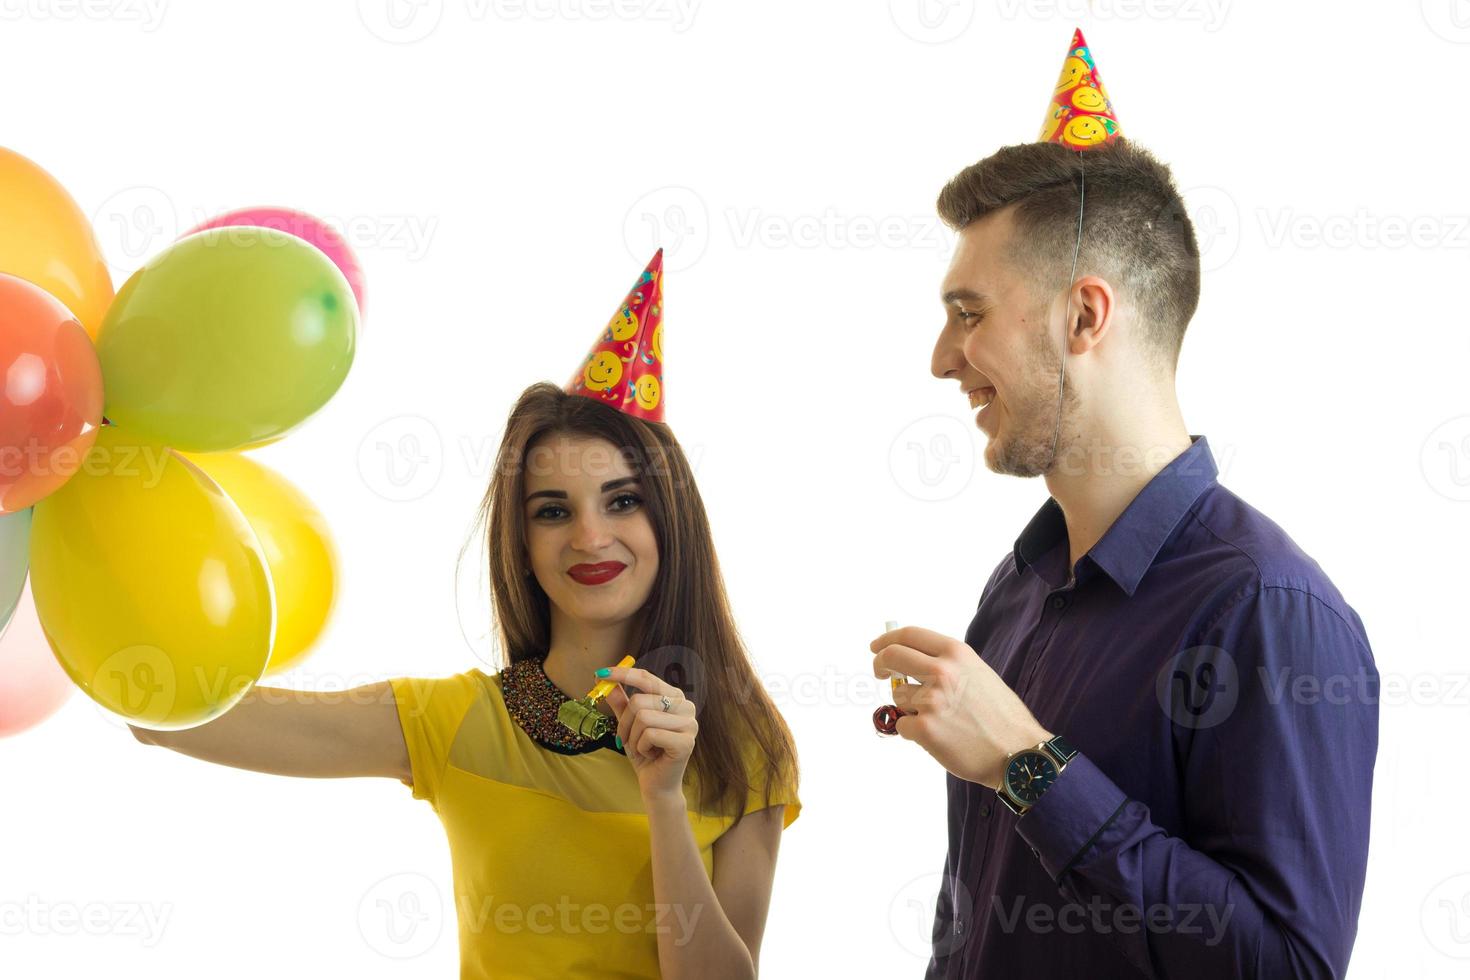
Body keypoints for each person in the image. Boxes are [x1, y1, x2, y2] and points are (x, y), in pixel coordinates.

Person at [132, 249, 801, 978]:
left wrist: (663, 800)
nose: (589, 536)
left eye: (622, 500)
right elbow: (166, 711)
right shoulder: (457, 723)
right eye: (553, 511)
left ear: (671, 519)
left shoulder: (746, 743)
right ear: (522, 545)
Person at [869, 30, 1377, 979]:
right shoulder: (1014, 593)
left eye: (970, 313)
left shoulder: (1269, 610)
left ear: (1087, 315)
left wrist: (1031, 766)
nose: (942, 358)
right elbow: (973, 925)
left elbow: (1292, 968)